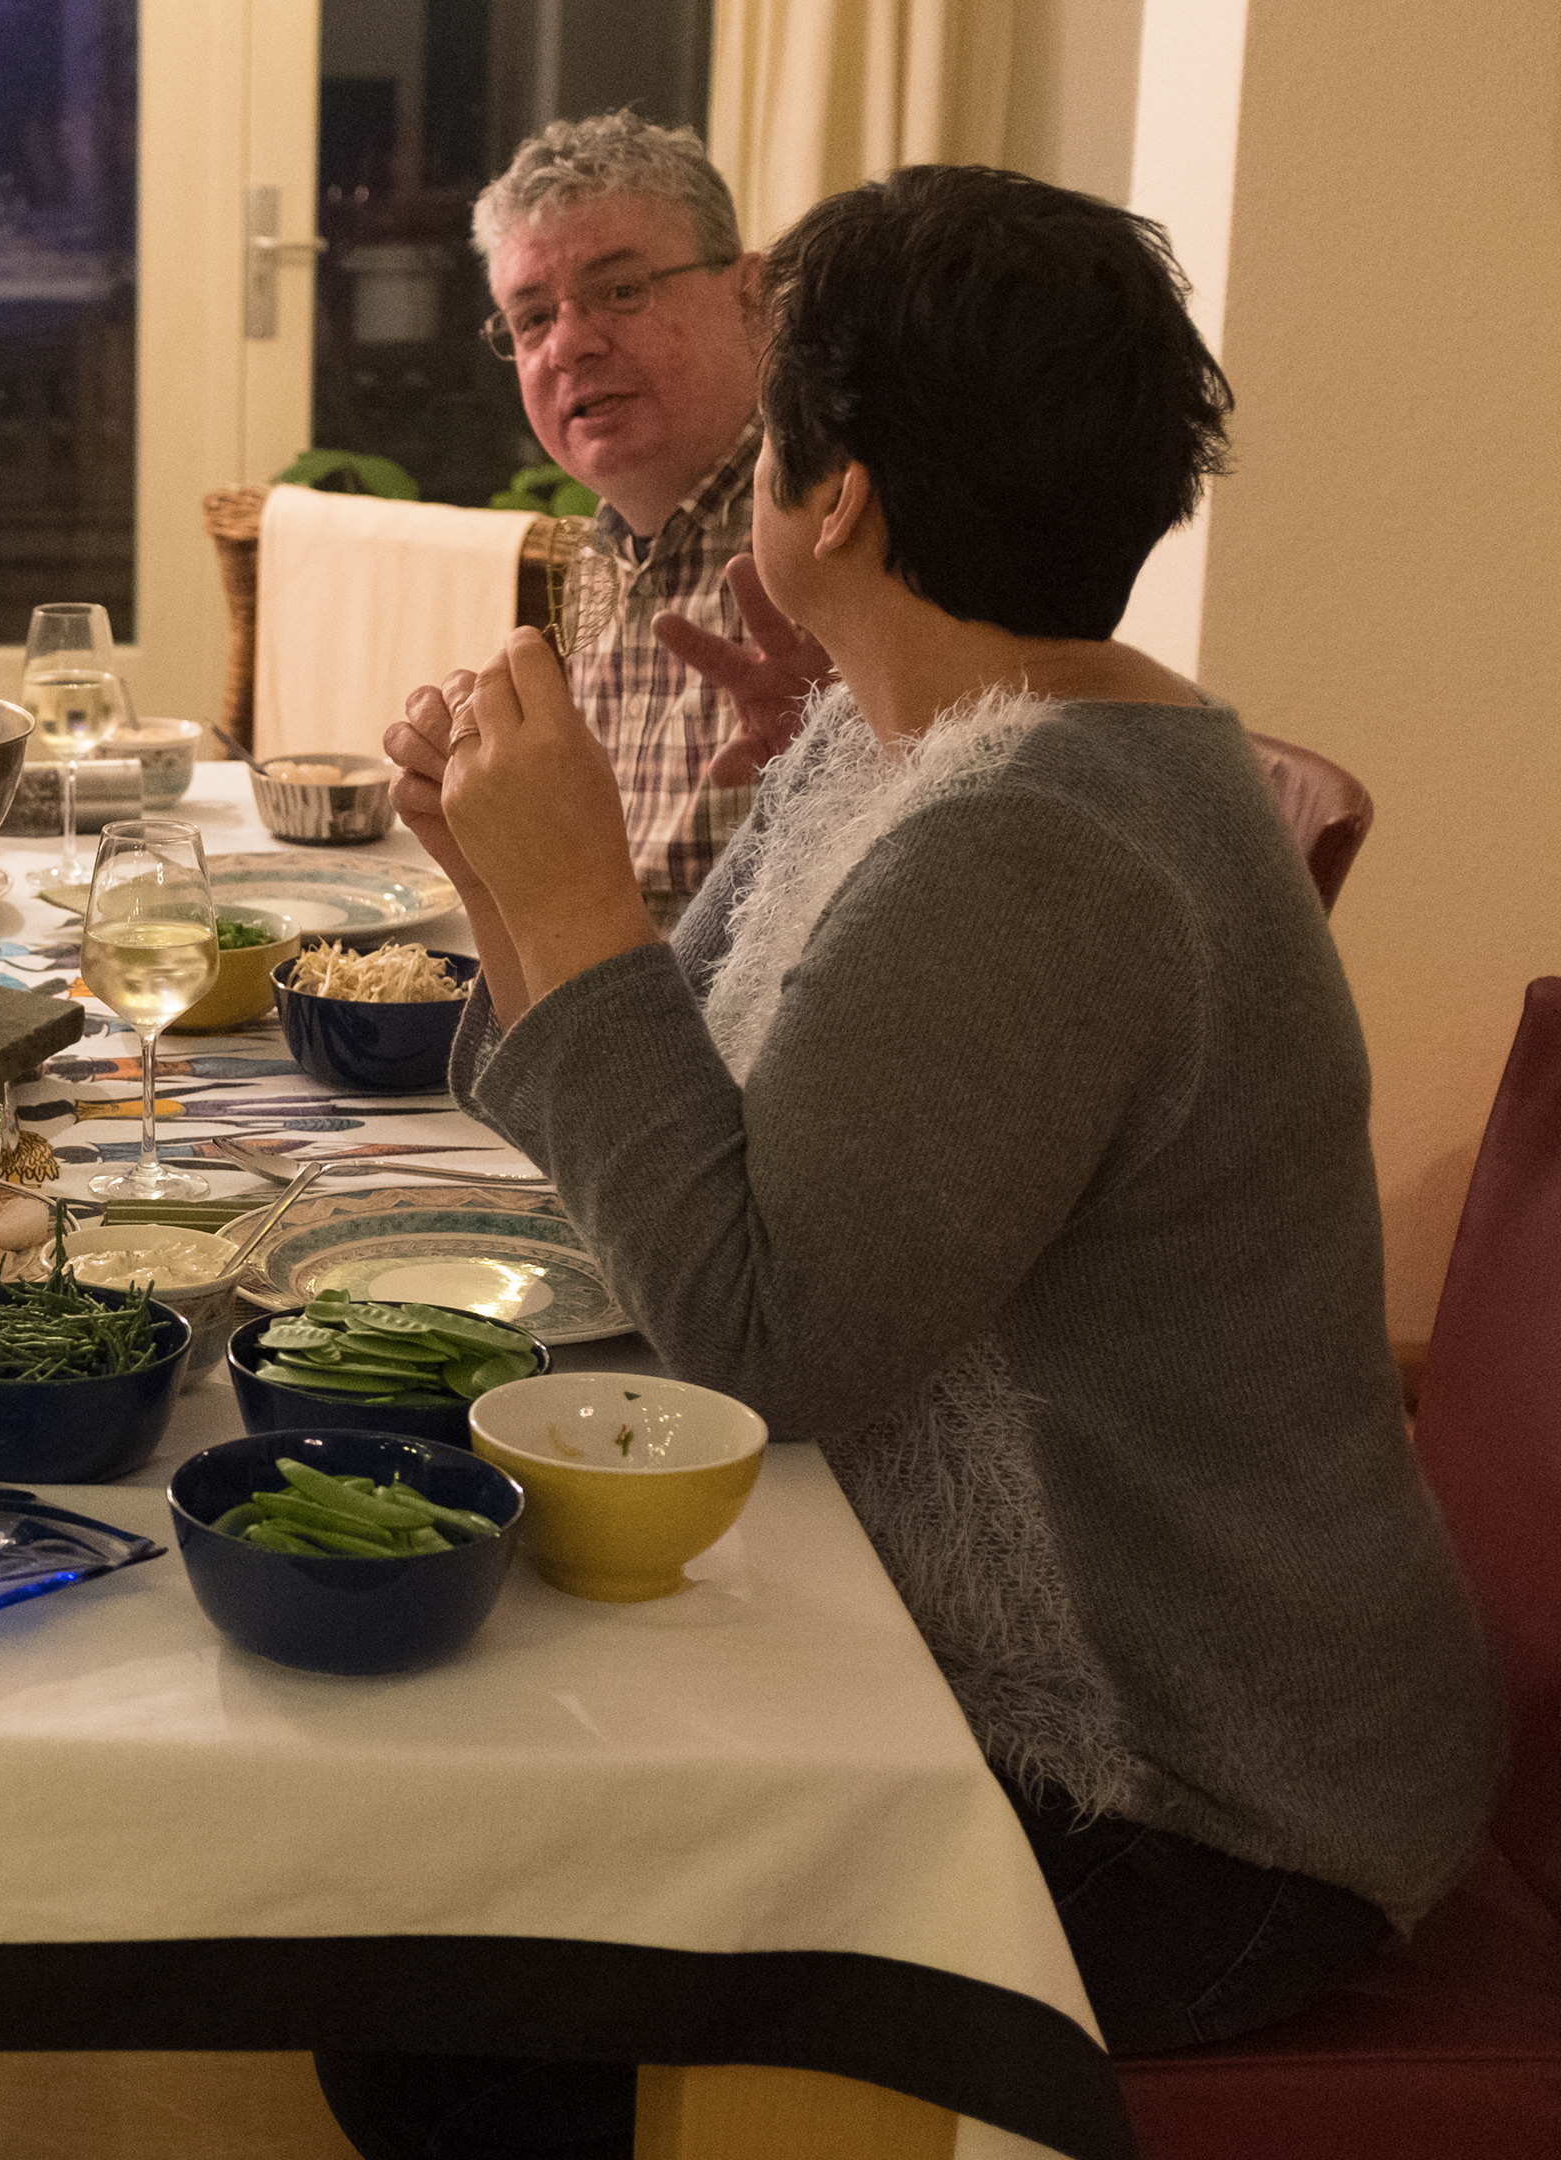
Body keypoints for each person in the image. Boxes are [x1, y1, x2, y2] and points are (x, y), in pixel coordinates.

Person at [326, 168, 1503, 2157]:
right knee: (458, 1831)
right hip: (1042, 1671)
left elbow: (761, 1342)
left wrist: (579, 897)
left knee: (452, 1968)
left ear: (841, 495)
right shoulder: (920, 733)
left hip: (1196, 1803)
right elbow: (674, 1120)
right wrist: (503, 877)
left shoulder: (1039, 844)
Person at [470, 112, 827, 927]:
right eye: (532, 318)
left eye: (622, 291)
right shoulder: (603, 548)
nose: (567, 346)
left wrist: (858, 748)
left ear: (752, 296)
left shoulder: (834, 524)